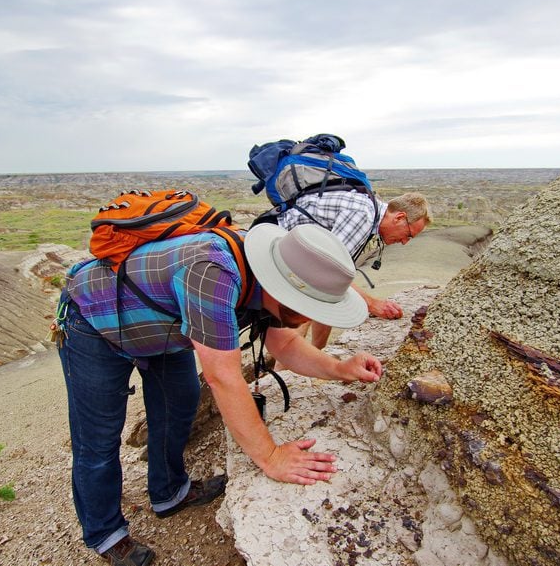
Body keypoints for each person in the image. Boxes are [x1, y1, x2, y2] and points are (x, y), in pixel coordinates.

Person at [56, 222, 382, 566]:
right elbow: (223, 376)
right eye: (308, 307)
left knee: (178, 407)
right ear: (285, 288)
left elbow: (284, 343)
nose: (311, 318)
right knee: (98, 439)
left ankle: (169, 493)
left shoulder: (270, 275)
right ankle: (106, 533)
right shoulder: (213, 272)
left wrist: (340, 368)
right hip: (94, 323)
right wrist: (270, 456)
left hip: (164, 327)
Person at [276, 190, 431, 349]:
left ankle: (316, 353)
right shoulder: (363, 216)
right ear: (399, 217)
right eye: (408, 235)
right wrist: (371, 304)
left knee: (327, 293)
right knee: (311, 294)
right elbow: (329, 272)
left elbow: (333, 280)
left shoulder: (370, 213)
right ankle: (285, 371)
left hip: (295, 252)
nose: (404, 242)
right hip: (278, 250)